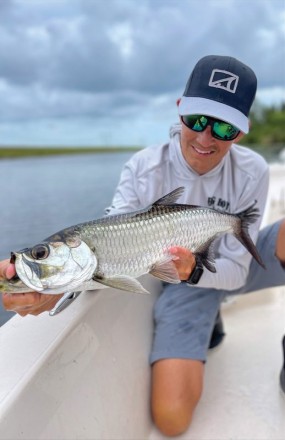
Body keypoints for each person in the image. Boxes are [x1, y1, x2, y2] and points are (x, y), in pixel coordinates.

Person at [1, 55, 285, 436]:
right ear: (180, 111)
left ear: (241, 132)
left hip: (231, 266)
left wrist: (197, 267)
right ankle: (207, 312)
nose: (205, 138)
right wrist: (51, 289)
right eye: (198, 120)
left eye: (223, 127)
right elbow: (107, 252)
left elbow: (237, 273)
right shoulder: (143, 168)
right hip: (182, 285)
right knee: (171, 419)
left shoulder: (253, 170)